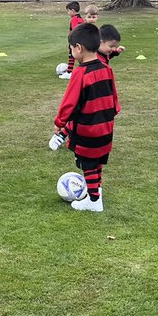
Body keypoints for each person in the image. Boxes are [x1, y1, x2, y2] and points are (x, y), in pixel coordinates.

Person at [51, 23, 120, 213]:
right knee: (97, 161)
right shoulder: (106, 68)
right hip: (106, 126)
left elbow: (69, 103)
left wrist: (59, 124)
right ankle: (94, 191)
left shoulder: (80, 73)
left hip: (88, 128)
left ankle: (94, 202)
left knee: (88, 163)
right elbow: (114, 98)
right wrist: (110, 114)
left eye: (71, 48)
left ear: (78, 48)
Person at [62, 1, 84, 77]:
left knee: (71, 56)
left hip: (75, 40)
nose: (68, 13)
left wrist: (72, 42)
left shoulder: (74, 19)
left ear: (73, 11)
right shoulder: (81, 18)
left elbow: (75, 30)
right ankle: (84, 70)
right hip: (81, 40)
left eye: (68, 11)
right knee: (80, 56)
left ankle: (69, 72)